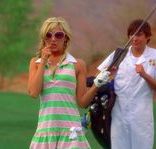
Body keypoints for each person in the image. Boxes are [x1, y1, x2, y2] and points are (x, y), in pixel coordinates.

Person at [28, 17, 110, 149]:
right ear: (44, 38)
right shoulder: (35, 63)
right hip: (46, 129)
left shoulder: (78, 64)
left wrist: (96, 85)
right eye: (48, 35)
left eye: (58, 35)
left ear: (65, 38)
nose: (53, 39)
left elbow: (82, 103)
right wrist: (43, 61)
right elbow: (33, 92)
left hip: (70, 131)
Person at [97, 19, 156, 149]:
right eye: (132, 34)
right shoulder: (119, 55)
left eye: (139, 34)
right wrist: (109, 75)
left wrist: (145, 75)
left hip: (141, 117)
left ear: (148, 37)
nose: (134, 38)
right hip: (118, 115)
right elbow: (99, 78)